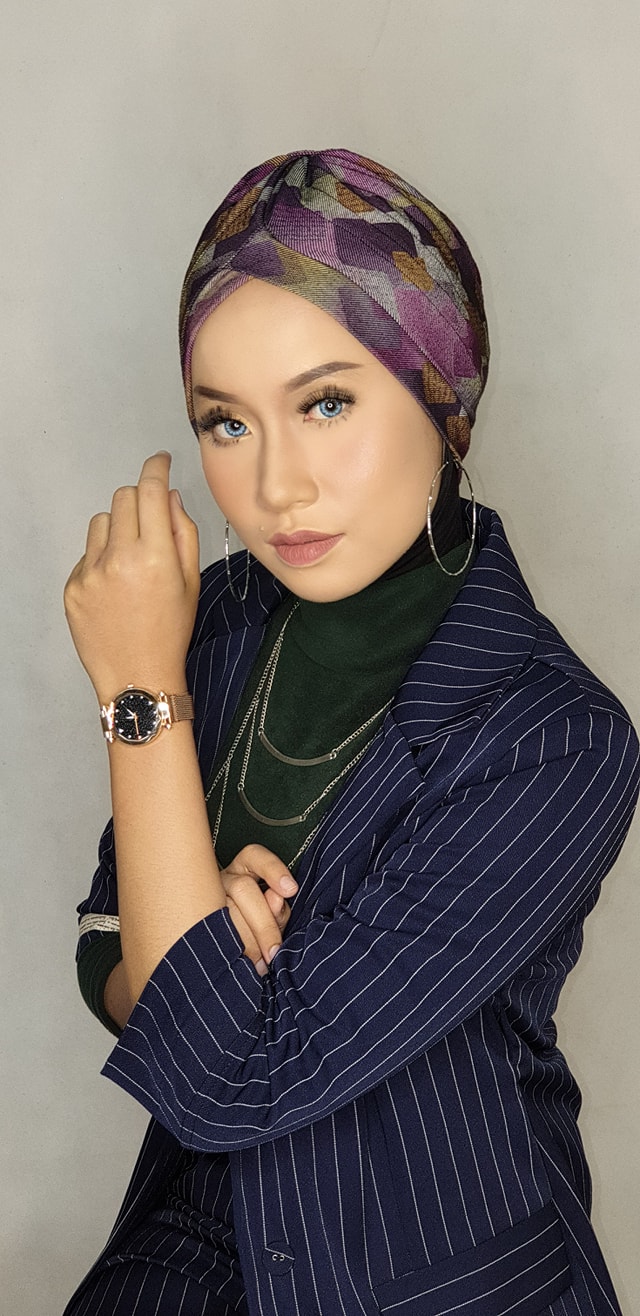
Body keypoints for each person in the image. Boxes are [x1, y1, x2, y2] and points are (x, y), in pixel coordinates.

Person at [62, 149, 639, 1316]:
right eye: (226, 422)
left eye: (326, 403)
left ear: (443, 399)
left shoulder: (556, 736)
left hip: (438, 1276)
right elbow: (104, 946)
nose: (278, 486)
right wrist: (185, 942)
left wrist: (137, 692)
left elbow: (225, 1074)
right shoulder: (214, 621)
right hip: (193, 1248)